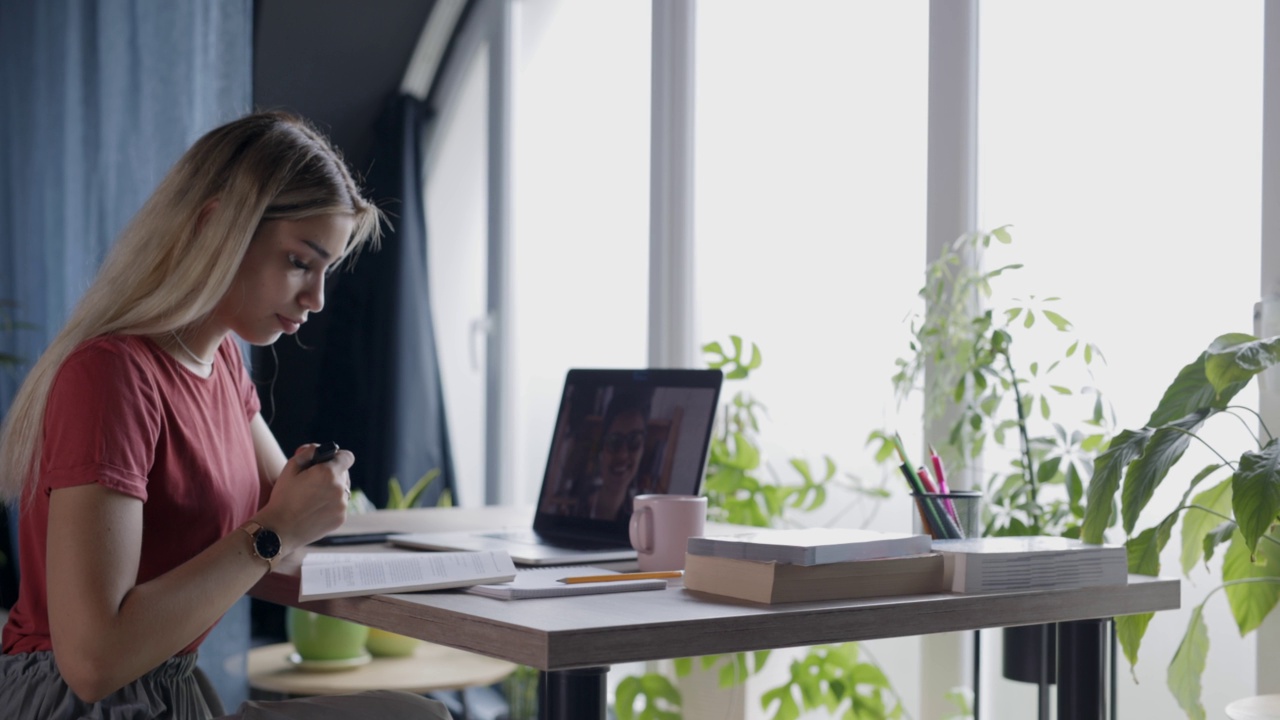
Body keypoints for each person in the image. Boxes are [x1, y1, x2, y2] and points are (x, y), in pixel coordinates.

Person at [0, 111, 451, 719]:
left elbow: (289, 527)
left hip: (168, 692)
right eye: (299, 262)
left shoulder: (223, 367)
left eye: (326, 272)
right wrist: (281, 528)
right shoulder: (110, 375)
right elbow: (92, 662)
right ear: (218, 227)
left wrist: (306, 511)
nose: (316, 299)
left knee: (417, 714)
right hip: (78, 703)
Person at [586, 388, 652, 521]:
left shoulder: (644, 522)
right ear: (602, 449)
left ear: (642, 450)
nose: (623, 455)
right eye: (614, 442)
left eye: (634, 441)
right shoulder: (570, 506)